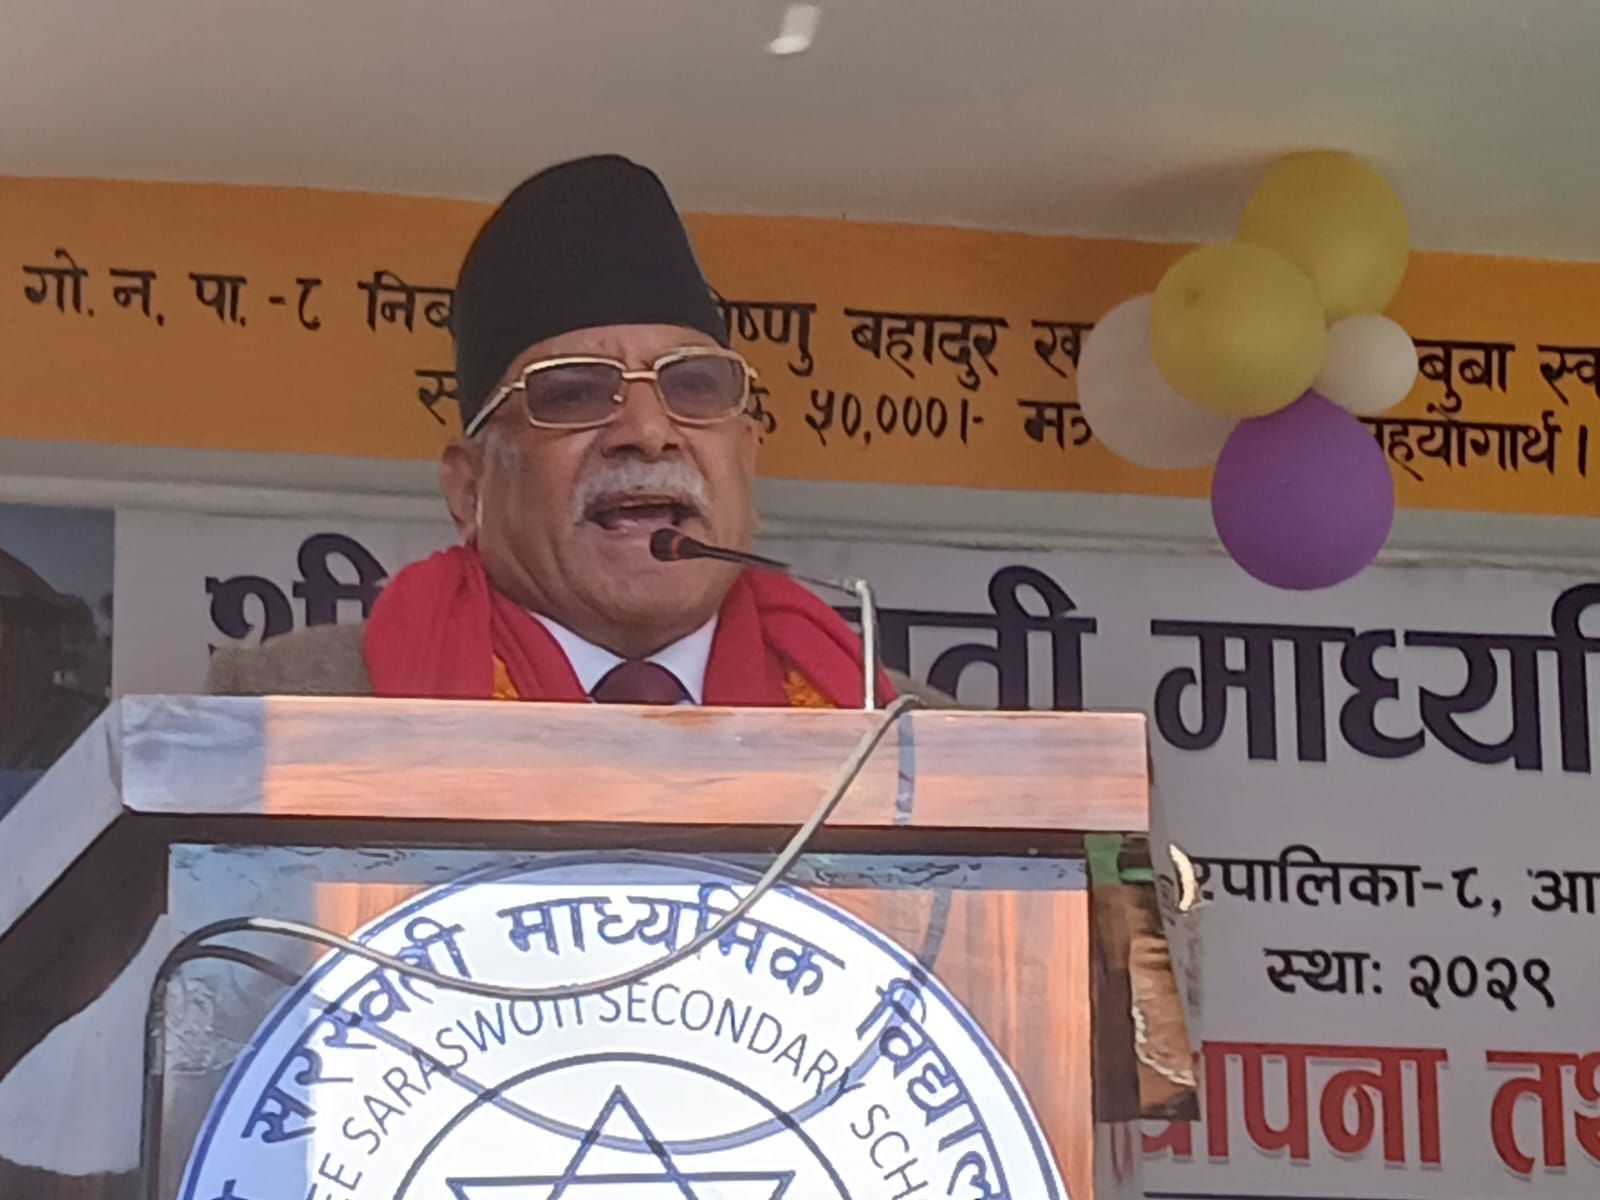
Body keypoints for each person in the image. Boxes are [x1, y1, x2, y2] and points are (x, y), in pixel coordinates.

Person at [207, 154, 914, 708]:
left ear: (748, 460)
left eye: (693, 386)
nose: (648, 431)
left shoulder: (901, 731)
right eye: (574, 394)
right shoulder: (292, 703)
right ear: (469, 488)